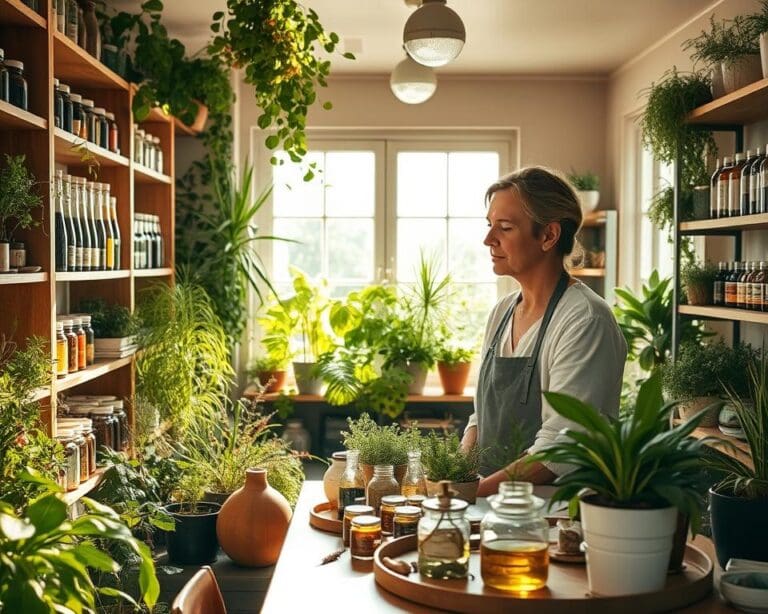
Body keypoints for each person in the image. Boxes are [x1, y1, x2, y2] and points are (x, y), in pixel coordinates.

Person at [460, 166, 627, 497]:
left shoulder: (585, 320)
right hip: (492, 506)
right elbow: (482, 417)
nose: (488, 239)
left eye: (505, 227)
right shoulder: (501, 312)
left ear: (549, 236)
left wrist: (474, 493)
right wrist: (454, 476)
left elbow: (559, 448)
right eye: (489, 225)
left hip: (552, 511)